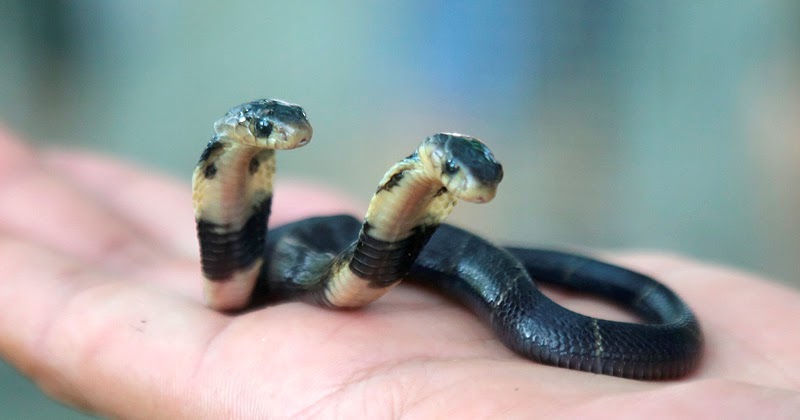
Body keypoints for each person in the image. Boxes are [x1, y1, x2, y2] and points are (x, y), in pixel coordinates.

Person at [0, 126, 797, 418]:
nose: (480, 193)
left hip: (356, 261)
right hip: (307, 252)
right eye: (460, 178)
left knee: (506, 288)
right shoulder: (271, 209)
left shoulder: (417, 216)